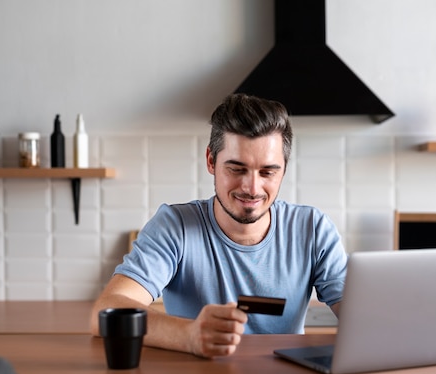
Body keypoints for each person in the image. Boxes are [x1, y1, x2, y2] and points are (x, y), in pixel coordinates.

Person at [90, 93, 347, 358]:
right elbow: (105, 313)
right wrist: (188, 336)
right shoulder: (175, 226)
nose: (252, 188)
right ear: (211, 161)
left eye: (268, 172)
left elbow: (362, 316)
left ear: (283, 169)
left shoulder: (313, 229)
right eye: (236, 169)